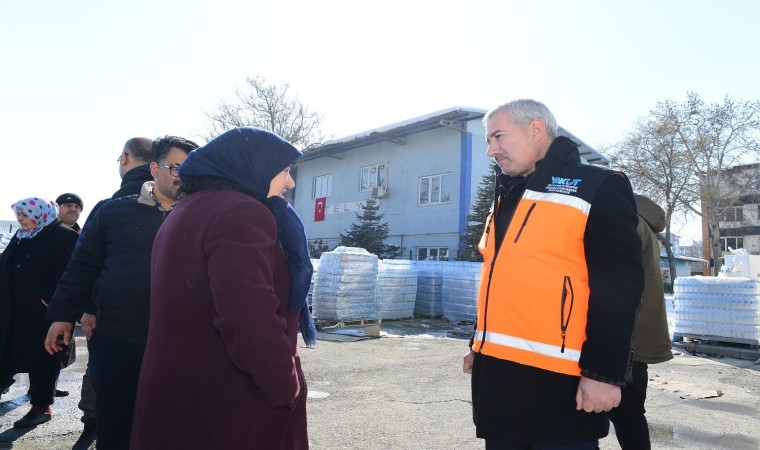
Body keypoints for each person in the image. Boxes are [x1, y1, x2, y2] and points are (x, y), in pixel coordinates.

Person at [462, 99, 644, 449]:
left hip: (560, 385)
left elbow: (620, 288)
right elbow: (501, 279)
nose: (490, 150)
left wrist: (604, 375)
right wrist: (477, 344)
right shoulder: (508, 195)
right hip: (499, 382)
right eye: (488, 141)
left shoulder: (598, 186)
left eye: (498, 137)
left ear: (535, 129)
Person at [130, 127, 308, 449]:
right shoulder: (243, 212)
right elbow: (248, 317)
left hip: (180, 397)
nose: (290, 182)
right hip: (229, 406)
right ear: (255, 167)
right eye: (284, 171)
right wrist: (286, 384)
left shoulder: (185, 210)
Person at [44, 136, 197, 450]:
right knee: (116, 427)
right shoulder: (112, 212)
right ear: (154, 168)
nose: (184, 176)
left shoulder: (203, 217)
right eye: (176, 167)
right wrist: (62, 316)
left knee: (174, 429)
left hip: (181, 346)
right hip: (118, 342)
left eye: (192, 169)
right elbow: (82, 267)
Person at [72, 136, 153, 450]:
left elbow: (85, 263)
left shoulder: (108, 207)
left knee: (114, 408)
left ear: (124, 159)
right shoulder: (184, 205)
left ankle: (95, 422)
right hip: (165, 325)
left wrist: (86, 308)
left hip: (114, 325)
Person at [0, 198, 78, 428]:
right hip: (14, 310)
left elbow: (72, 272)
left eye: (25, 214)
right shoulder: (23, 236)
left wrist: (49, 298)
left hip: (44, 314)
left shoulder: (64, 237)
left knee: (43, 359)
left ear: (39, 213)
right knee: (7, 352)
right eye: (19, 215)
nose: (20, 219)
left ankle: (41, 407)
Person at [608, 194, 673, 449]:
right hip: (638, 339)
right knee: (630, 416)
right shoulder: (642, 223)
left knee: (603, 416)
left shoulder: (625, 221)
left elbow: (614, 282)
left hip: (623, 338)